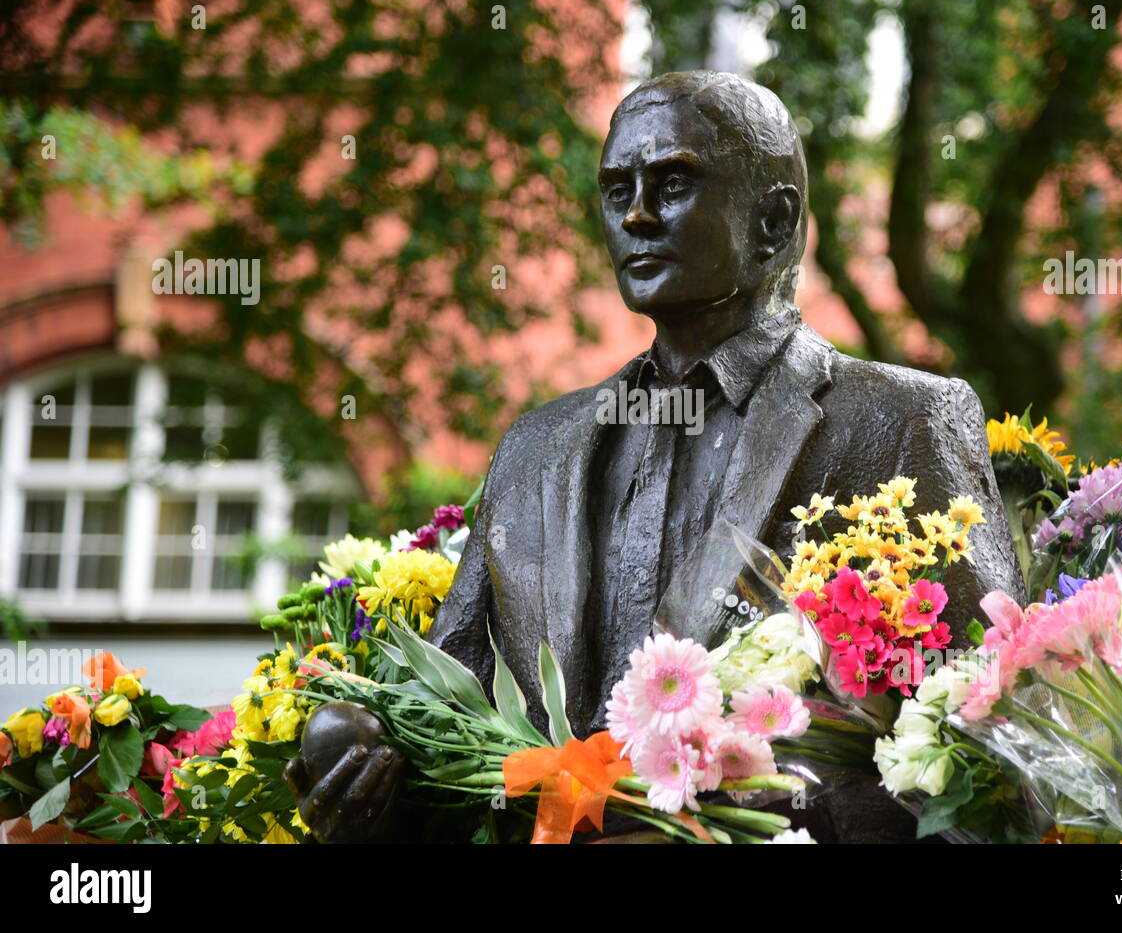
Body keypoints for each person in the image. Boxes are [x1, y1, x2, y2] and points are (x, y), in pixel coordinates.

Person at [287, 70, 1023, 842]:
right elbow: (450, 707)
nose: (635, 214)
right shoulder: (536, 447)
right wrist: (369, 774)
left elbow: (986, 744)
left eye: (673, 183)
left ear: (773, 221)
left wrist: (760, 820)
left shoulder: (899, 420)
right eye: (616, 190)